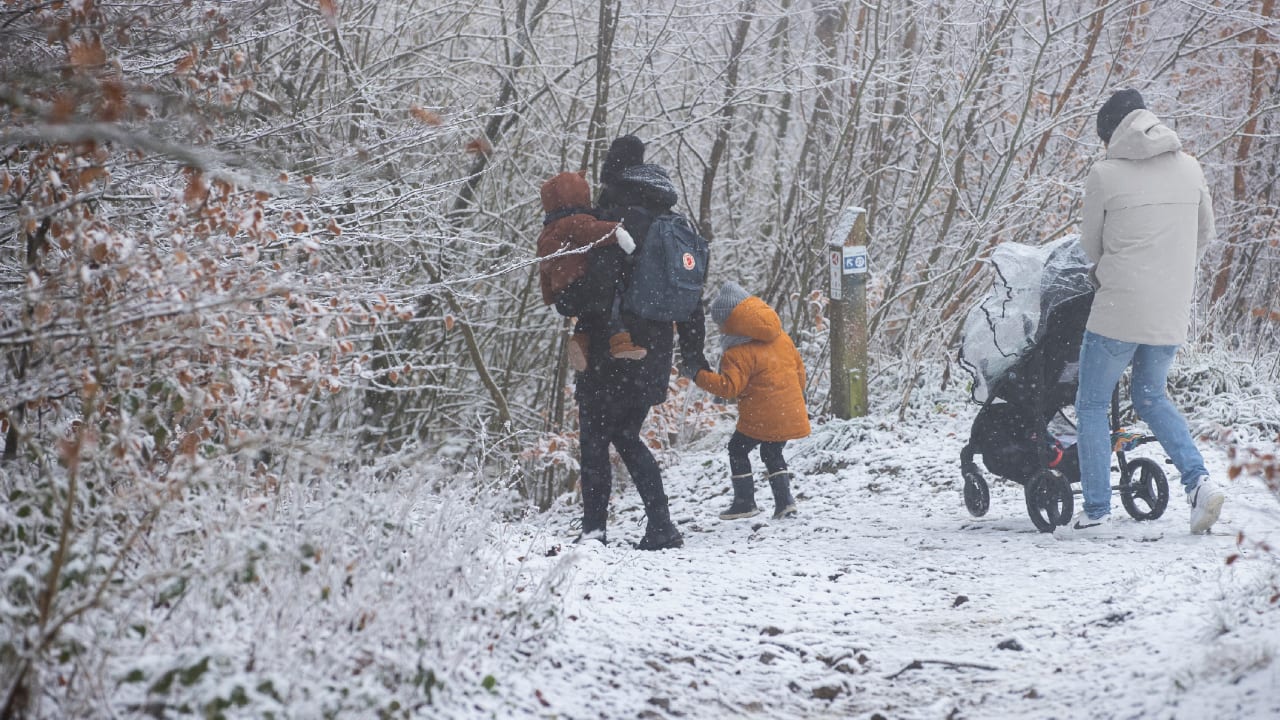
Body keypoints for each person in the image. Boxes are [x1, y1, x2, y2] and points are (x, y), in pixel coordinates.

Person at [1056, 89, 1222, 539]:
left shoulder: (1105, 174)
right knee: (1151, 396)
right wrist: (1171, 272)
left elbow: (1092, 247)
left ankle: (1095, 513)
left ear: (1112, 133)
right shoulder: (1190, 167)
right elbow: (1204, 234)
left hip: (1118, 307)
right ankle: (1200, 485)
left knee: (1091, 404)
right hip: (1170, 306)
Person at [572, 135, 708, 550]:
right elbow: (692, 297)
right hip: (655, 349)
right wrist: (692, 352)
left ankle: (595, 532)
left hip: (611, 348)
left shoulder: (614, 220)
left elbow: (593, 290)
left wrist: (567, 301)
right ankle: (661, 525)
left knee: (596, 439)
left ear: (610, 171)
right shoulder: (674, 222)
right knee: (627, 435)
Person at [683, 281, 810, 520]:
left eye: (721, 324)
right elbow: (800, 372)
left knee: (737, 449)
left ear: (732, 323)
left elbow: (729, 388)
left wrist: (697, 375)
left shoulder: (738, 352)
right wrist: (793, 399)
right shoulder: (781, 337)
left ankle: (744, 502)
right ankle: (785, 503)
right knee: (772, 453)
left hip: (761, 415)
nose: (720, 330)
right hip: (789, 409)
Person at [536, 170, 647, 371]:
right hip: (583, 283)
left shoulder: (545, 234)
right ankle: (619, 340)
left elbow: (544, 270)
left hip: (564, 296)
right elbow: (593, 231)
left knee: (588, 313)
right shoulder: (574, 222)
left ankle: (580, 340)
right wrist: (618, 231)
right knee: (612, 297)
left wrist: (550, 299)